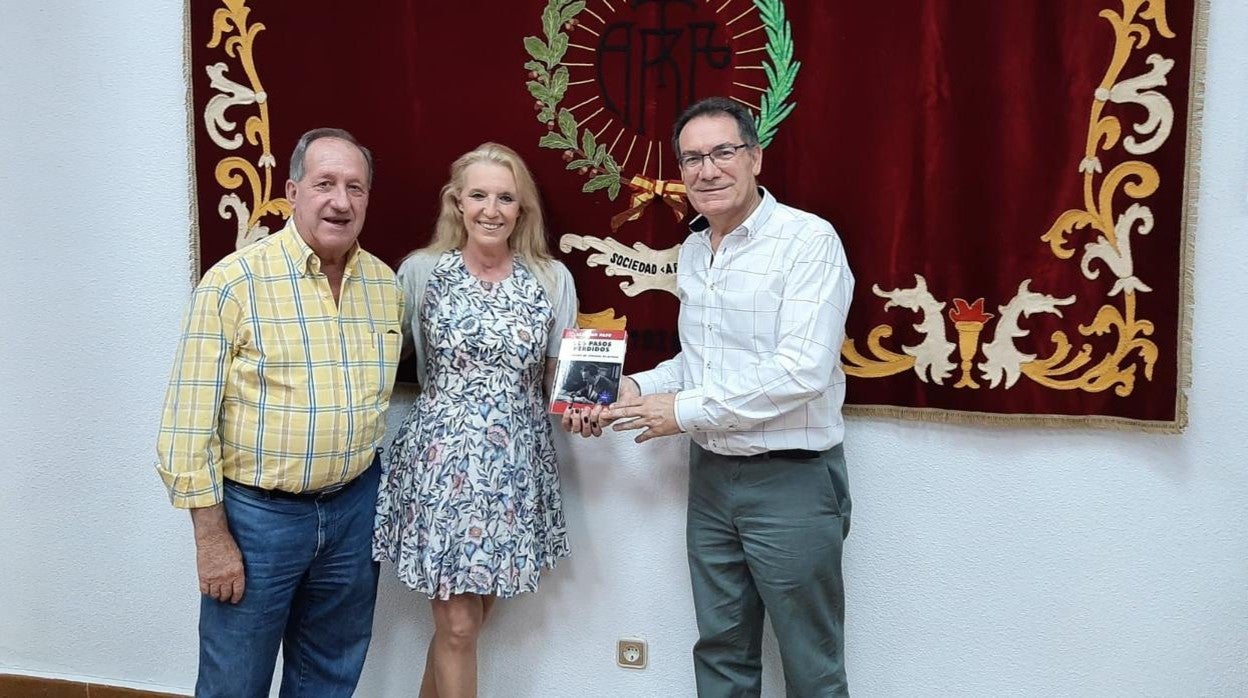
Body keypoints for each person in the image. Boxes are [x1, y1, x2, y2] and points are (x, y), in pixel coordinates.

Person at [564, 97, 856, 696]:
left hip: (792, 480)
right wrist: (634, 388)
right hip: (713, 477)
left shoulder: (808, 240)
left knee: (812, 664)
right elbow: (698, 363)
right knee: (721, 652)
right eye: (692, 158)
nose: (708, 170)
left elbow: (802, 370)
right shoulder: (697, 249)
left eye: (723, 152)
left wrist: (680, 411)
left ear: (755, 158)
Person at [156, 128, 402, 697]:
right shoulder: (233, 283)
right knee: (234, 682)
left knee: (329, 675)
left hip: (354, 511)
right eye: (324, 184)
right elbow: (186, 426)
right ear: (292, 192)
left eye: (355, 187)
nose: (340, 201)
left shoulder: (384, 286)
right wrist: (211, 539)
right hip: (257, 520)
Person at [373, 142, 578, 698]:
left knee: (465, 623)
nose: (491, 210)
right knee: (459, 625)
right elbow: (379, 360)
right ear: (457, 202)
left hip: (515, 468)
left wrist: (587, 409)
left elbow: (562, 382)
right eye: (479, 195)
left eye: (505, 198)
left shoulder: (551, 279)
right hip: (442, 466)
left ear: (522, 208)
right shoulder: (420, 273)